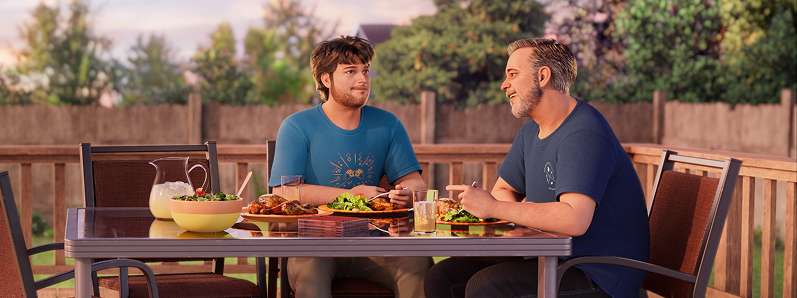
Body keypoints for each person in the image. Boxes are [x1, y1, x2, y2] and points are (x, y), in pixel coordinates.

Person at [424, 38, 650, 298]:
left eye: (513, 74)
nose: (504, 85)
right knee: (443, 276)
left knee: (486, 287)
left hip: (600, 276)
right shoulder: (531, 131)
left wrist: (495, 209)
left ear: (542, 76)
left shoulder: (585, 132)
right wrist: (508, 212)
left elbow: (574, 219)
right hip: (550, 258)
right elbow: (503, 189)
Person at [269, 35, 430, 298]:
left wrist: (406, 194)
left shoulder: (388, 124)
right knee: (311, 272)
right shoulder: (297, 126)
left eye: (365, 71)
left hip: (377, 244)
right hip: (314, 246)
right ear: (325, 79)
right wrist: (351, 195)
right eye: (351, 71)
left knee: (419, 262)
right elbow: (283, 193)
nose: (363, 79)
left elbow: (416, 183)